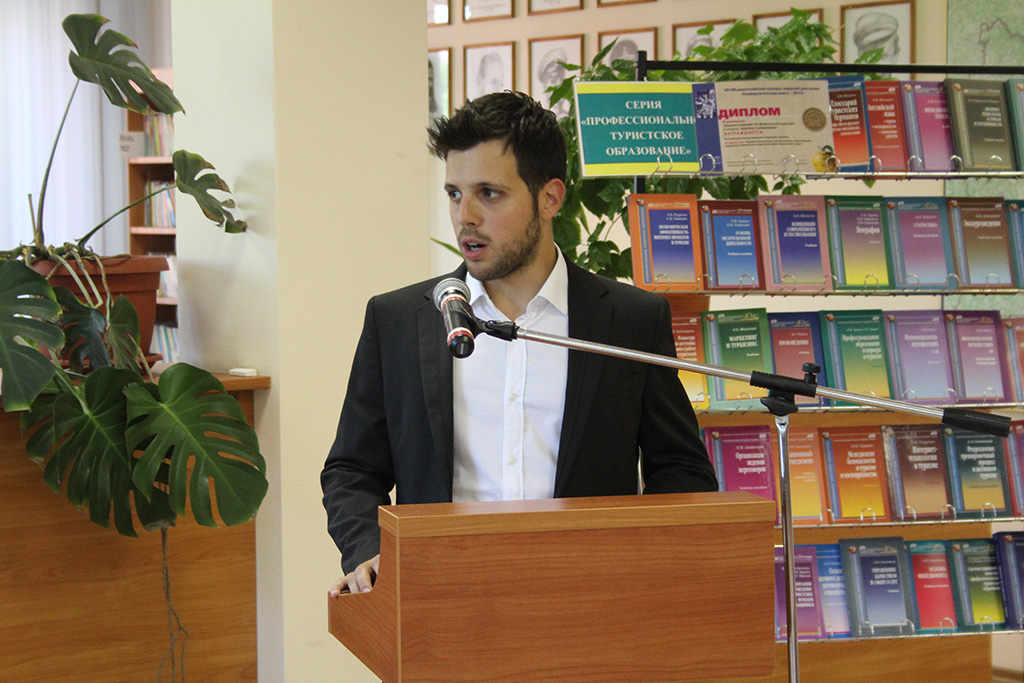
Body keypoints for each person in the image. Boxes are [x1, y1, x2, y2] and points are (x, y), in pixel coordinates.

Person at [322, 91, 718, 596]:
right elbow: (352, 468)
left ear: (549, 198)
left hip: (587, 597)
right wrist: (368, 550)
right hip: (439, 596)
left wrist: (641, 565)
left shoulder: (629, 320)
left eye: (489, 193)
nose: (465, 216)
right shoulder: (400, 320)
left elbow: (680, 468)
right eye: (454, 193)